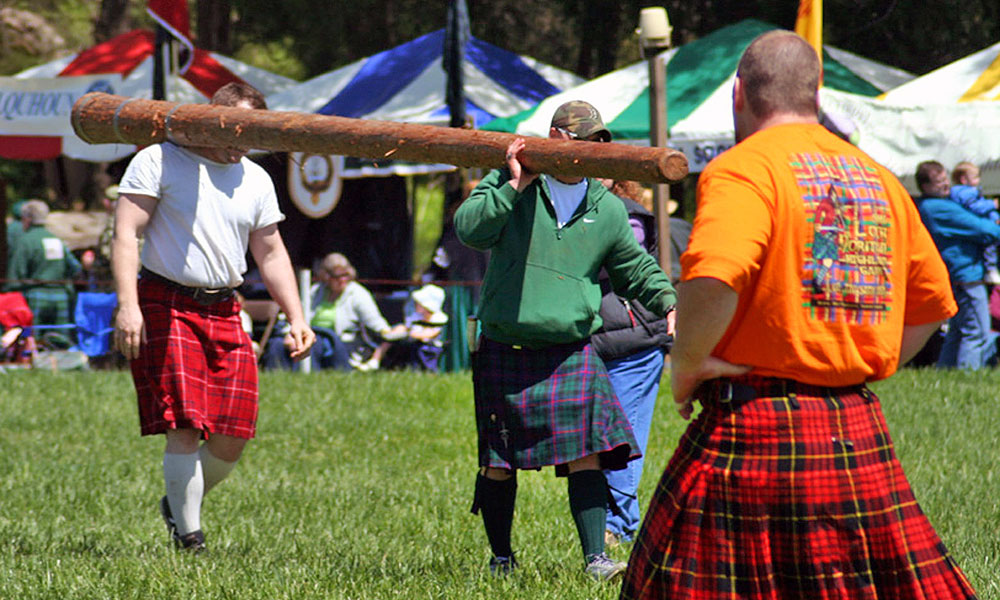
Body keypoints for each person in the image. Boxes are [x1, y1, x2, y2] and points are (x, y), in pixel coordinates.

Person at [621, 31, 978, 600]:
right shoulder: (878, 178)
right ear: (818, 97)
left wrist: (687, 363)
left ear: (738, 94)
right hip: (855, 430)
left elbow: (712, 278)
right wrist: (863, 363)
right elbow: (933, 304)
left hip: (756, 424)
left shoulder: (743, 169)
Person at [455, 100, 676, 579]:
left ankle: (596, 558)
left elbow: (634, 267)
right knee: (499, 460)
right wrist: (514, 183)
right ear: (556, 138)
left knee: (587, 453)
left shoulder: (608, 207)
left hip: (570, 348)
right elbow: (470, 230)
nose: (594, 150)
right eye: (584, 139)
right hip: (505, 342)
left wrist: (668, 301)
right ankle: (501, 558)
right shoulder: (511, 183)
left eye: (600, 142)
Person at [112, 82, 315, 553]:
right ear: (209, 119)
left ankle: (177, 505)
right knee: (184, 423)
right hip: (166, 301)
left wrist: (296, 315)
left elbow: (271, 253)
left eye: (252, 136)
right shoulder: (159, 159)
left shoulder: (255, 177)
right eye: (235, 132)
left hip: (226, 306)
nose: (242, 145)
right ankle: (191, 538)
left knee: (233, 434)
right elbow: (126, 234)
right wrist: (128, 304)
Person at [590, 180, 672, 546]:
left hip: (634, 343)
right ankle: (613, 525)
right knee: (598, 442)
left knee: (622, 440)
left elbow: (624, 260)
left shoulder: (628, 214)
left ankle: (617, 528)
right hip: (594, 342)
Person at [916, 160, 1000, 370]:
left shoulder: (935, 205)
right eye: (939, 182)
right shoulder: (938, 208)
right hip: (967, 275)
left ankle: (944, 372)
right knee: (977, 331)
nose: (946, 185)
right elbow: (985, 230)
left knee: (957, 330)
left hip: (957, 275)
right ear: (925, 187)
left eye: (945, 178)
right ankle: (968, 375)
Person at [261, 251, 404, 371]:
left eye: (345, 275)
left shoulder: (358, 293)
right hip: (310, 334)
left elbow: (376, 323)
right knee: (277, 345)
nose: (342, 280)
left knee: (314, 345)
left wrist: (390, 331)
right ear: (326, 276)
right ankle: (280, 380)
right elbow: (298, 315)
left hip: (341, 342)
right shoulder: (316, 291)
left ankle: (307, 381)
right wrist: (289, 334)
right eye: (337, 277)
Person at [4, 200, 82, 328]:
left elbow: (15, 275)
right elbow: (75, 267)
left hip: (35, 296)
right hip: (60, 296)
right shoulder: (56, 239)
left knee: (33, 339)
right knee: (61, 339)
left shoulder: (25, 241)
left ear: (27, 219)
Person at [371, 283, 449, 372]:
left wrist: (411, 334)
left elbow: (429, 334)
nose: (416, 304)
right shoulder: (416, 317)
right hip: (413, 346)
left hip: (428, 350)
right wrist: (395, 332)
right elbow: (406, 327)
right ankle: (375, 361)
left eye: (419, 303)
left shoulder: (437, 320)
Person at [949, 161, 1000, 285]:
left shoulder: (963, 192)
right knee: (990, 248)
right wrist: (993, 204)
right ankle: (991, 270)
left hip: (988, 224)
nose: (979, 180)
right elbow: (977, 208)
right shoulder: (966, 192)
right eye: (976, 177)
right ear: (963, 179)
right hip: (984, 227)